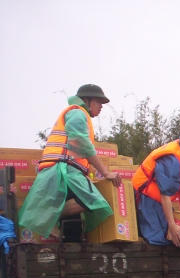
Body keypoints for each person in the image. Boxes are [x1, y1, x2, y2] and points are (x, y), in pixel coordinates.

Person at [18, 84, 122, 238]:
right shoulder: (77, 113)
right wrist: (105, 172)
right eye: (98, 102)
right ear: (87, 100)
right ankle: (48, 218)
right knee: (91, 200)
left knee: (74, 221)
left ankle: (67, 235)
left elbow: (79, 150)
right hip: (63, 169)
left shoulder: (78, 114)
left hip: (64, 168)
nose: (101, 106)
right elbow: (81, 143)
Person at [132, 131, 180, 246]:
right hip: (146, 196)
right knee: (158, 237)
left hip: (160, 197)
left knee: (172, 233)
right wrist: (172, 225)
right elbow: (165, 194)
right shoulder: (172, 160)